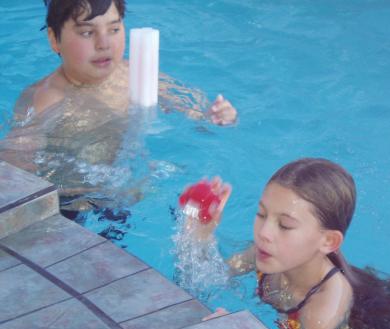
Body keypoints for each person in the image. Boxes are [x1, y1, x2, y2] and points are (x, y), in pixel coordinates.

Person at [180, 158, 390, 329]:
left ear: (328, 241)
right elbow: (204, 279)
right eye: (261, 214)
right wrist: (200, 232)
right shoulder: (264, 253)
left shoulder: (323, 308)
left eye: (285, 225)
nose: (264, 233)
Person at [0, 0, 237, 216]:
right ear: (54, 39)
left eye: (114, 29)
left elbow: (194, 112)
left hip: (128, 187)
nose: (103, 43)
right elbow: (13, 169)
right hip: (72, 202)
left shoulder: (133, 74)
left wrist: (215, 116)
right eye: (86, 32)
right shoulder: (45, 99)